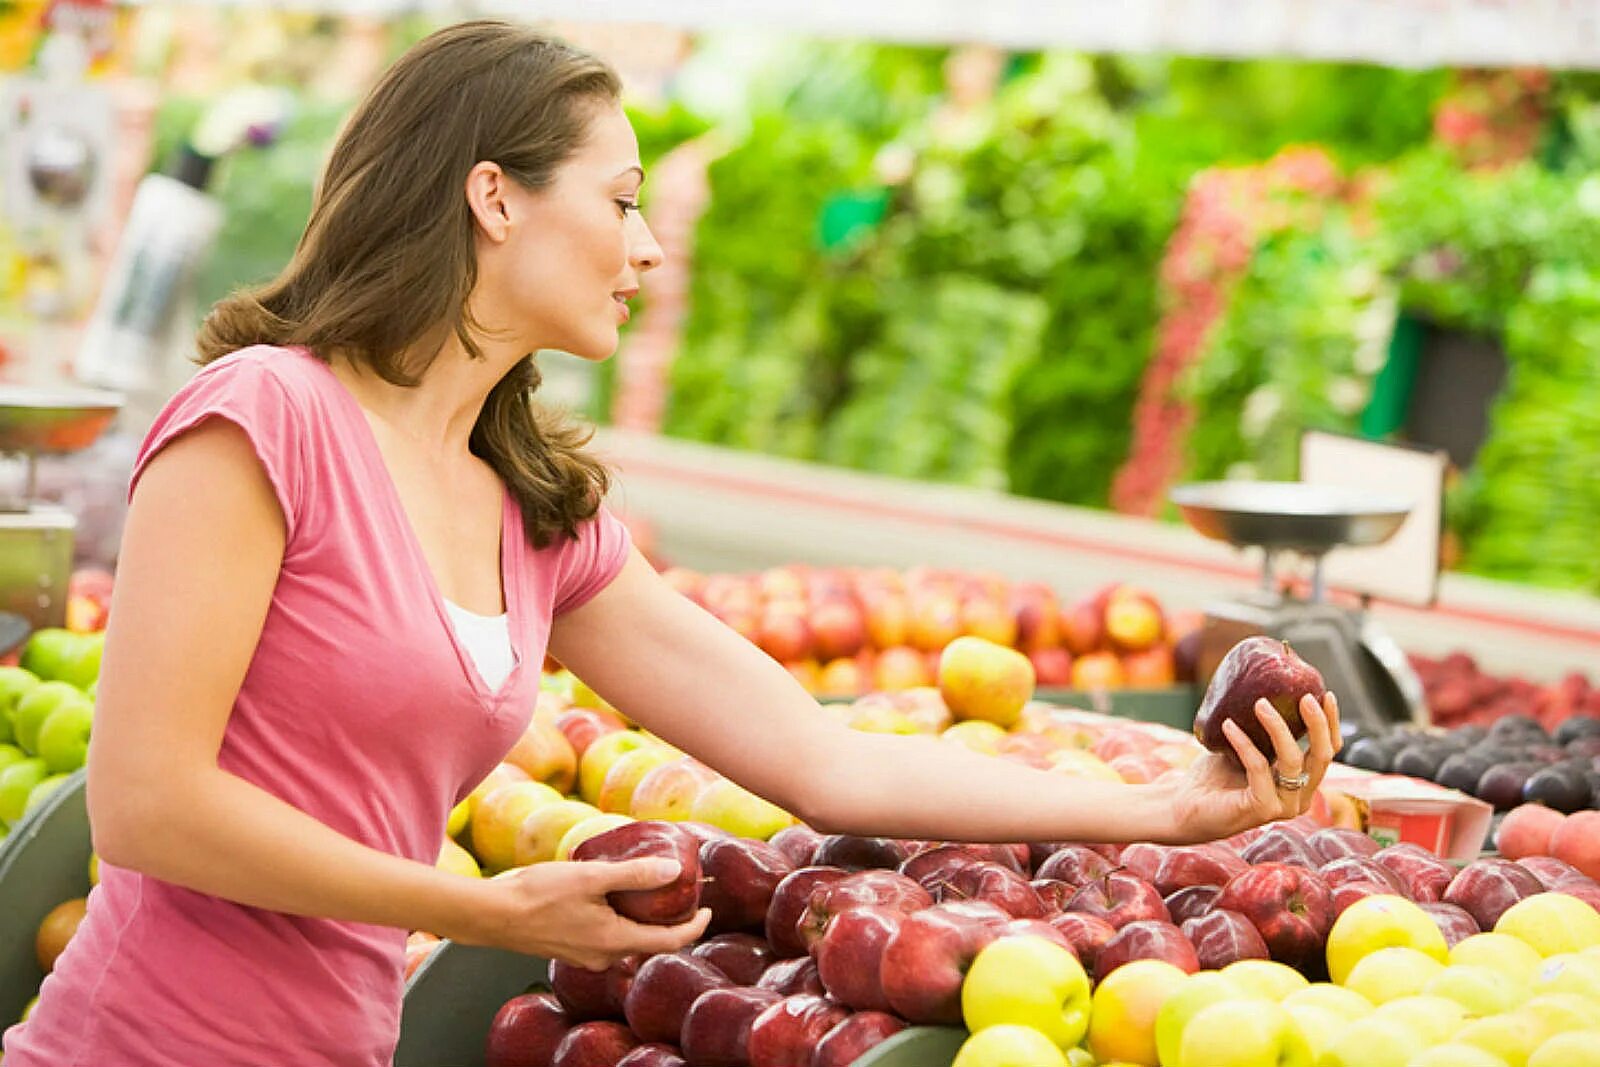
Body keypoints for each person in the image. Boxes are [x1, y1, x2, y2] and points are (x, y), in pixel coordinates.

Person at [3, 21, 1340, 1067]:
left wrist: (1164, 812)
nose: (645, 250)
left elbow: (823, 761)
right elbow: (146, 804)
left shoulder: (534, 517)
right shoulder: (267, 419)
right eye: (624, 201)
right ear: (494, 199)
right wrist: (481, 912)